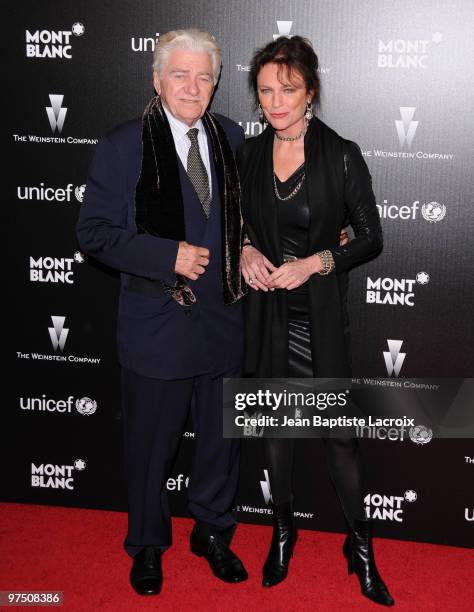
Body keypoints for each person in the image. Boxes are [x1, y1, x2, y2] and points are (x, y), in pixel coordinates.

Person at [76, 29, 248, 596]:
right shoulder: (123, 144)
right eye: (180, 74)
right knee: (151, 449)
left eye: (204, 76)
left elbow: (243, 220)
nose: (193, 86)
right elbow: (93, 234)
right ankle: (148, 544)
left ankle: (214, 532)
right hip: (158, 326)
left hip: (223, 322)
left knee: (221, 444)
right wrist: (164, 254)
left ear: (216, 84)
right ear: (156, 80)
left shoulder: (229, 136)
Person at [238, 36, 394, 606]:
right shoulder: (248, 155)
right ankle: (283, 531)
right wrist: (245, 251)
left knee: (341, 442)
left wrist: (317, 262)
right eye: (265, 91)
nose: (276, 102)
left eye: (289, 89)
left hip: (319, 319)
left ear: (311, 92)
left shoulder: (341, 153)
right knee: (275, 434)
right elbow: (234, 227)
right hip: (267, 317)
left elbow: (372, 236)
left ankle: (361, 548)